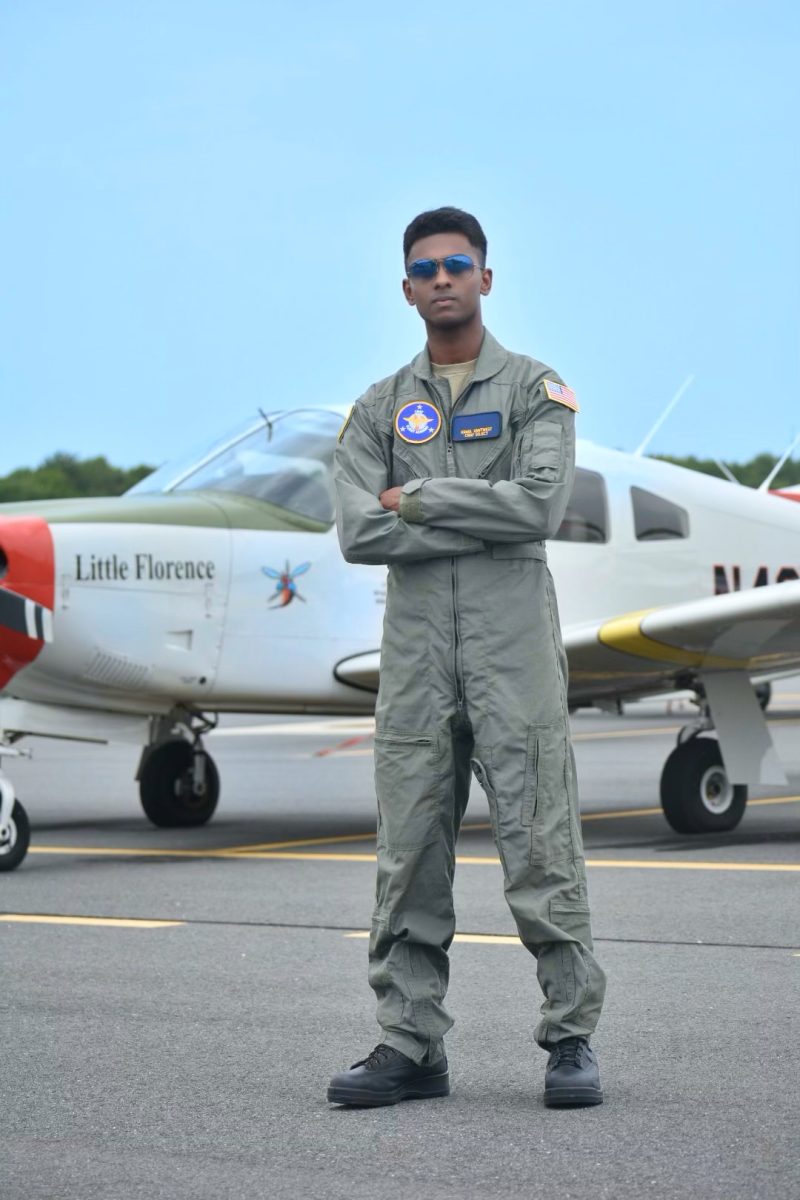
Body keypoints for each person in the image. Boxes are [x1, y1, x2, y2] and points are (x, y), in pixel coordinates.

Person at [329, 207, 606, 1108]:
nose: (443, 278)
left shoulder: (536, 390)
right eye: (425, 268)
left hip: (512, 652)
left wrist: (418, 499)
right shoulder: (376, 409)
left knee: (539, 842)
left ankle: (571, 1042)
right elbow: (356, 531)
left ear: (487, 278)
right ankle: (410, 1045)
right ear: (406, 289)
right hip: (414, 660)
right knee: (408, 852)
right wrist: (458, 507)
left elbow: (537, 509)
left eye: (458, 263)